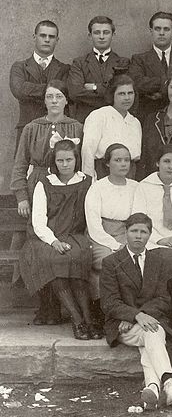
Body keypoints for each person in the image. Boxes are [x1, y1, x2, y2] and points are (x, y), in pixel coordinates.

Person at [100, 213, 172, 410]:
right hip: (121, 325)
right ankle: (169, 383)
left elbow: (163, 299)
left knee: (151, 334)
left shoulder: (157, 260)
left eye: (143, 232)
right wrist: (135, 316)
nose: (138, 236)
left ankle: (153, 387)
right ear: (125, 233)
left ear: (149, 235)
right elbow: (109, 303)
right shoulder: (111, 262)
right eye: (134, 231)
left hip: (144, 321)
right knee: (154, 331)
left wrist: (138, 316)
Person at [10, 80, 82, 324]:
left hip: (67, 187)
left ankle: (61, 307)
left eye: (59, 97)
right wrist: (21, 196)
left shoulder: (76, 127)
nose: (54, 101)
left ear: (65, 101)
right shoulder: (32, 127)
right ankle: (46, 306)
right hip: (38, 184)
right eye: (50, 96)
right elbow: (20, 164)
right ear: (44, 100)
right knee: (40, 244)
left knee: (63, 239)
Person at [19, 139, 96, 339]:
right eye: (60, 160)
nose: (65, 164)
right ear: (54, 161)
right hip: (45, 238)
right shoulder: (44, 183)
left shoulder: (87, 181)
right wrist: (54, 241)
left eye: (69, 159)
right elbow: (38, 221)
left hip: (76, 236)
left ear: (76, 160)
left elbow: (92, 213)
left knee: (78, 259)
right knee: (56, 261)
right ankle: (78, 320)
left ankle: (88, 320)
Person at [85, 143, 139, 319]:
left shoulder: (136, 187)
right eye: (118, 160)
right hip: (101, 234)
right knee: (106, 261)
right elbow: (93, 225)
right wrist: (114, 244)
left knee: (135, 260)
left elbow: (140, 217)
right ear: (107, 163)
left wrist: (127, 240)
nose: (123, 164)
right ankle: (100, 310)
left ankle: (127, 309)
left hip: (128, 232)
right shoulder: (97, 187)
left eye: (126, 160)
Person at [9, 20, 70, 146]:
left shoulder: (65, 69)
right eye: (43, 35)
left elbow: (67, 94)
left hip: (57, 130)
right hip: (27, 129)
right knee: (24, 165)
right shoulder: (19, 67)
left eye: (51, 36)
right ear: (34, 37)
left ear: (57, 40)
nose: (47, 40)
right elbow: (19, 90)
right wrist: (53, 91)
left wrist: (30, 89)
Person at [129, 12, 172, 120]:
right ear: (151, 31)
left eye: (166, 29)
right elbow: (138, 84)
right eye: (157, 29)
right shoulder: (139, 59)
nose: (161, 33)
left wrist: (155, 90)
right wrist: (169, 82)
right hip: (149, 116)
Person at [68, 15, 130, 123]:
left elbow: (122, 92)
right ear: (90, 35)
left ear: (113, 35)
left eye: (106, 32)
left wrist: (95, 87)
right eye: (97, 33)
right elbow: (75, 93)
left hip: (115, 119)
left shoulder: (123, 62)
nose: (101, 37)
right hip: (86, 120)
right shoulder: (79, 63)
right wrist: (109, 93)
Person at [132, 145, 172, 252]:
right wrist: (159, 239)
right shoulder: (144, 186)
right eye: (166, 161)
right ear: (157, 163)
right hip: (153, 243)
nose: (171, 166)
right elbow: (139, 220)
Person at [81, 74, 142, 179]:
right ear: (112, 95)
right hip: (104, 172)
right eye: (121, 94)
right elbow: (88, 151)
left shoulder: (135, 122)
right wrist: (88, 180)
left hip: (129, 175)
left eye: (130, 93)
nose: (127, 98)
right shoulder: (99, 115)